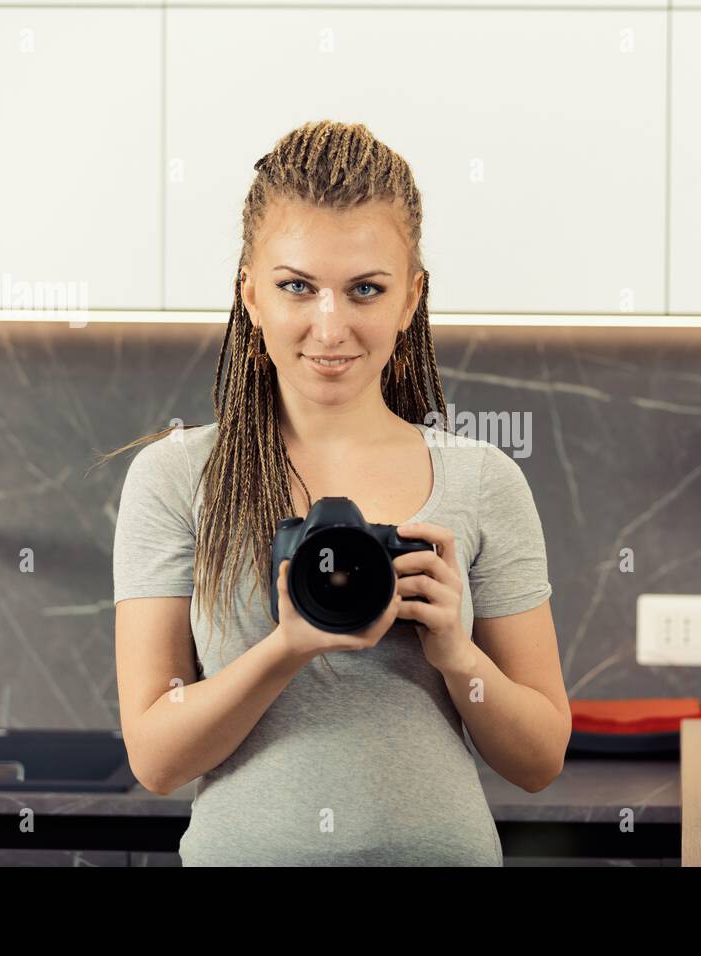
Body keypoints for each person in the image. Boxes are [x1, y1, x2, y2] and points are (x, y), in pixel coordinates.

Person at [101, 120, 570, 865]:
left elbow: (540, 760)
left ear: (410, 297)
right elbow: (157, 760)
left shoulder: (483, 481)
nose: (331, 325)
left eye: (365, 290)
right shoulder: (176, 478)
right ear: (250, 294)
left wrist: (458, 654)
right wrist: (287, 647)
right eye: (297, 286)